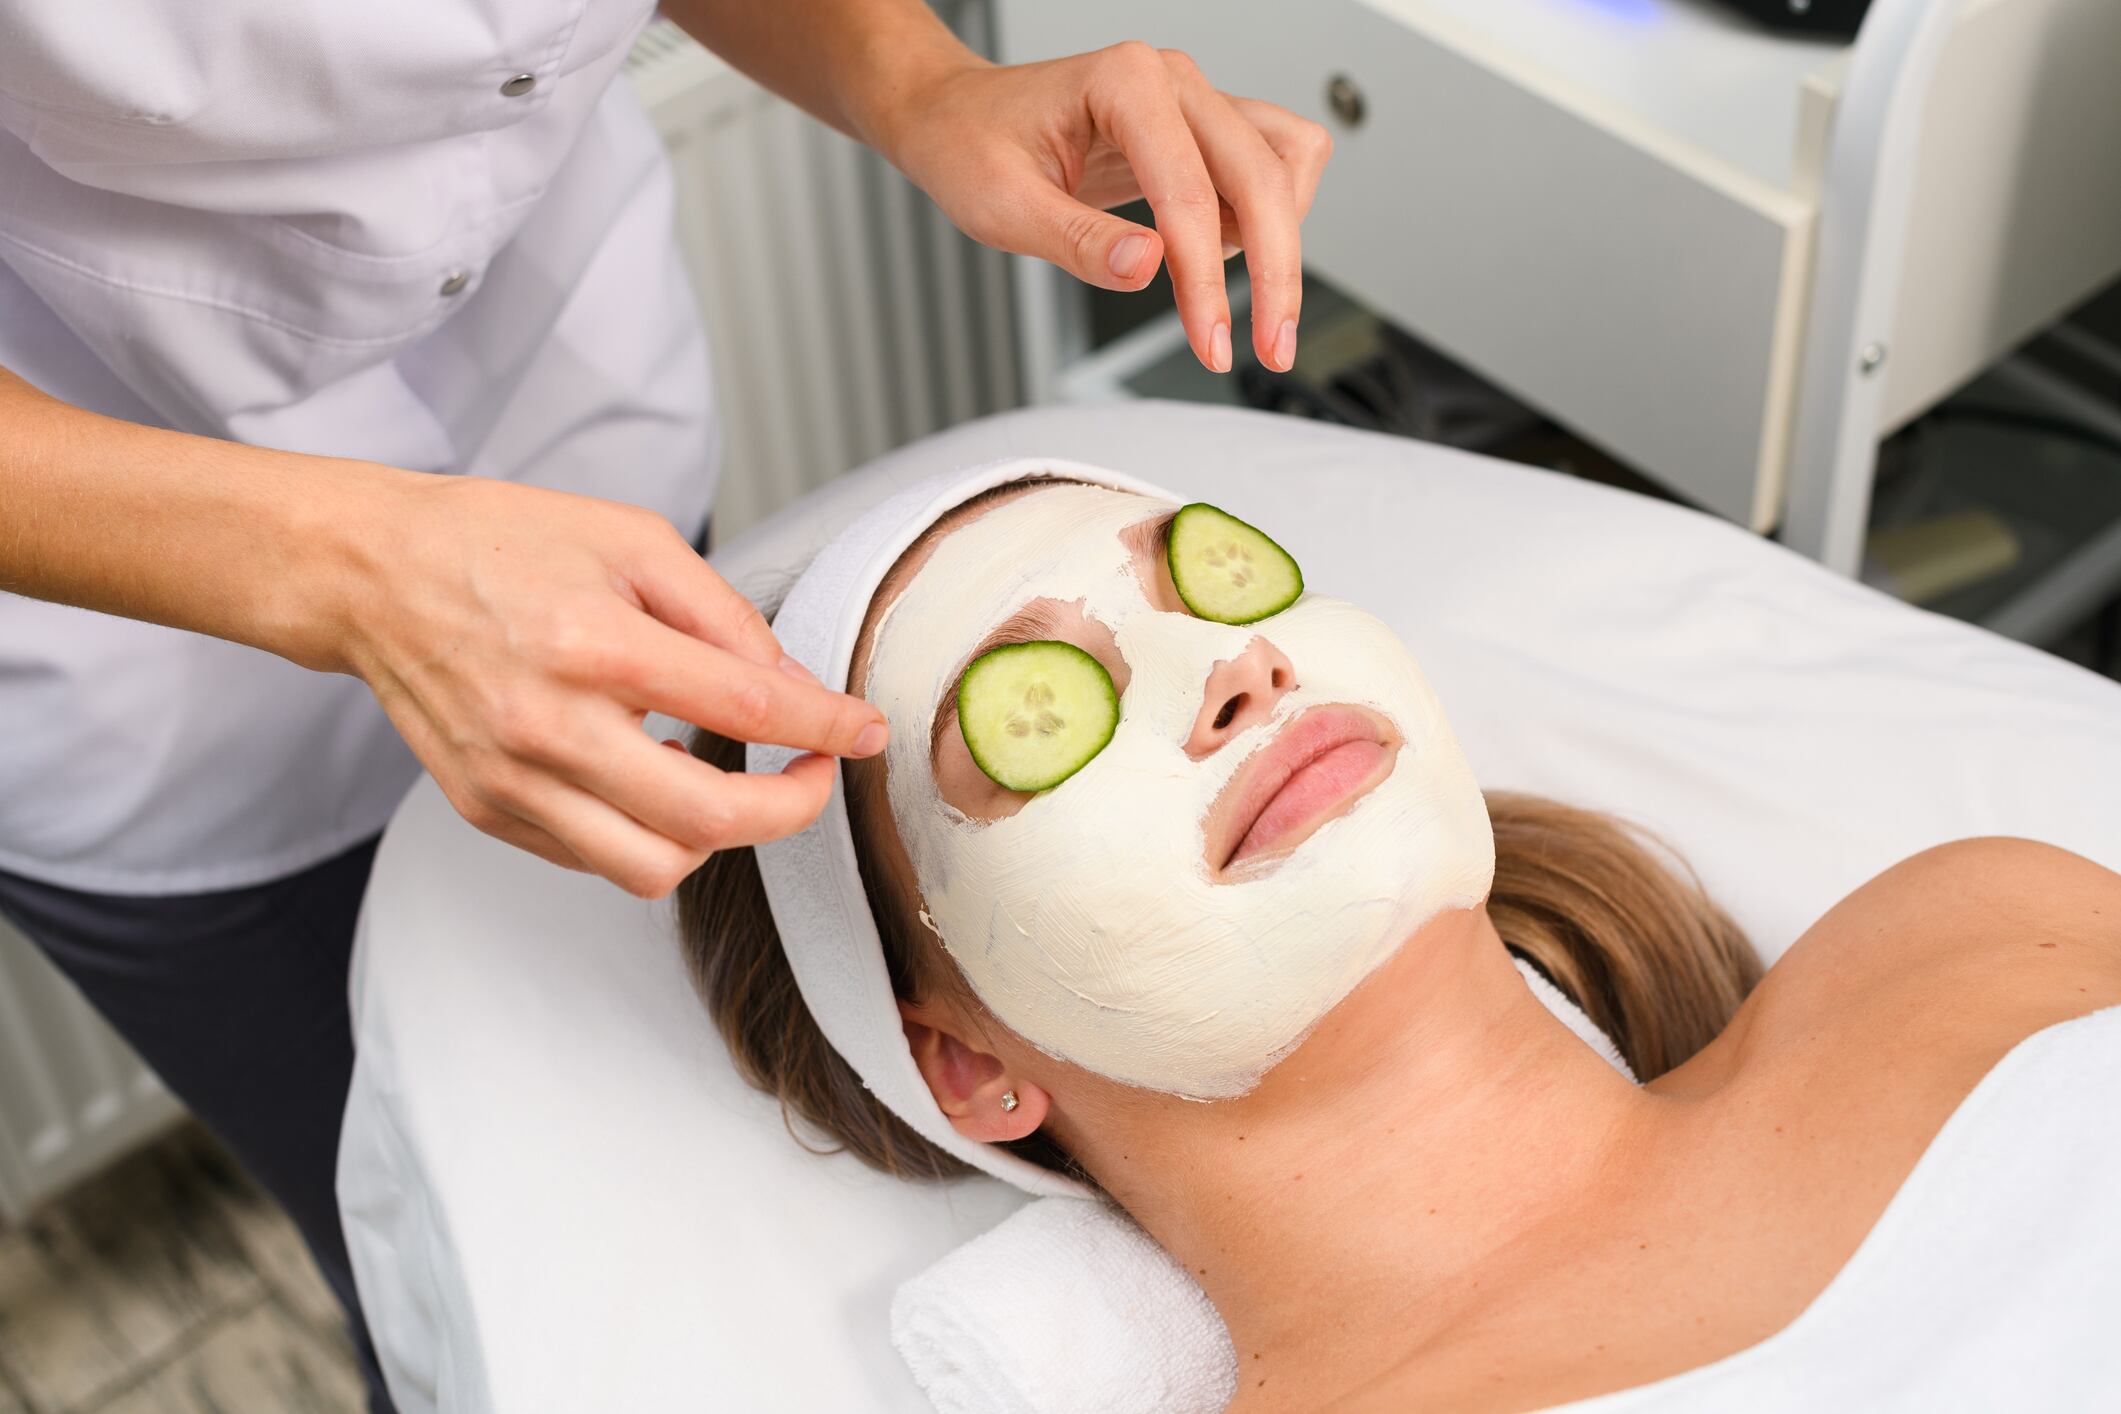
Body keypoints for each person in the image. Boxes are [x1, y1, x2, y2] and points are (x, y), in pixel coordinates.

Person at [0, 5, 1331, 1407]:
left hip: (570, 416)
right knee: (460, 1276)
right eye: (1046, 710)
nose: (1235, 675)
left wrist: (916, 78)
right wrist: (348, 573)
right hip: (142, 651)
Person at [679, 472, 2121, 1411]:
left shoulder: (1975, 933)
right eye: (1036, 708)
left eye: (1215, 579)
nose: (1237, 666)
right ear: (962, 1063)